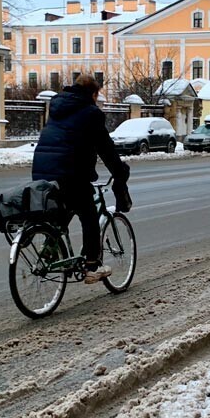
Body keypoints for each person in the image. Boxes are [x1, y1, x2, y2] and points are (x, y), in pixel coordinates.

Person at [31, 74, 131, 283]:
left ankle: (49, 249)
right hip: (71, 174)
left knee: (63, 211)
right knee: (89, 215)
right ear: (93, 94)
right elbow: (106, 148)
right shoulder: (91, 113)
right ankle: (93, 266)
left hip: (42, 171)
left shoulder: (57, 107)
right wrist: (119, 171)